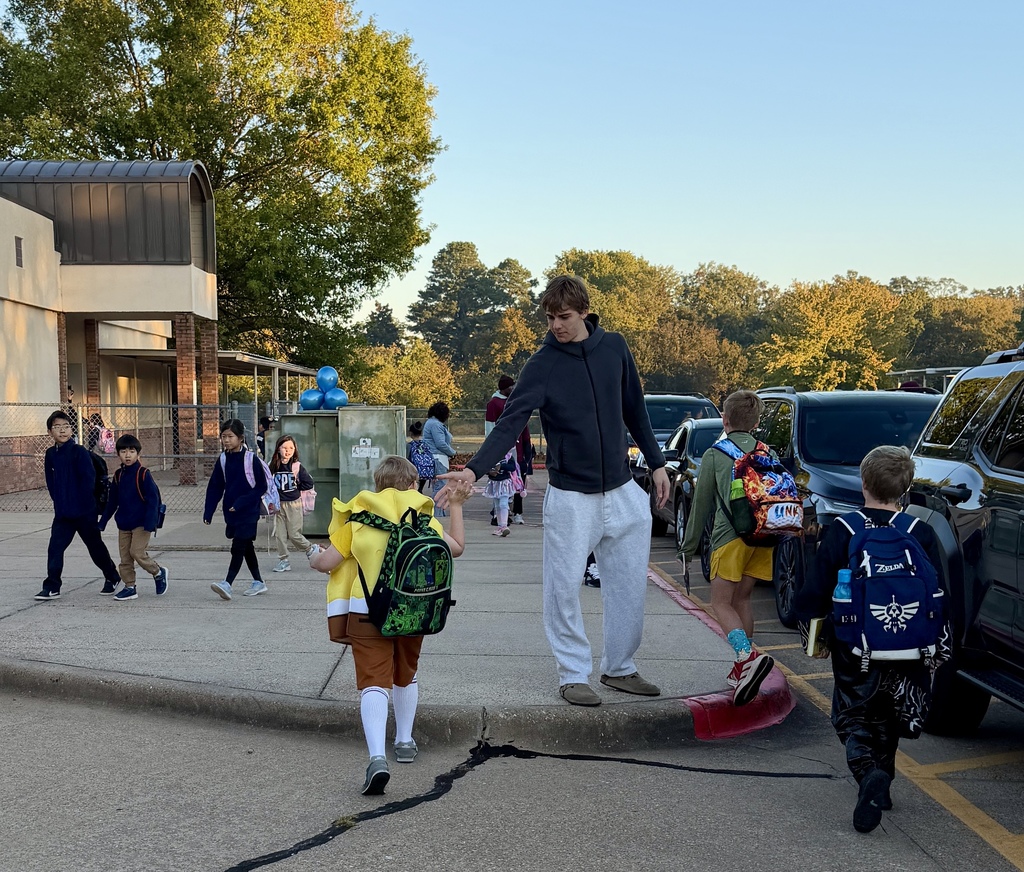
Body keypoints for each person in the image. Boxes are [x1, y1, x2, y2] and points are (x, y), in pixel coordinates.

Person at [438, 274, 670, 707]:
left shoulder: (615, 348)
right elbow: (511, 420)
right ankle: (572, 673)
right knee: (563, 588)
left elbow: (634, 408)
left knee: (628, 587)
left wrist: (657, 463)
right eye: (549, 318)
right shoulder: (542, 363)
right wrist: (473, 471)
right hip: (571, 496)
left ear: (584, 311)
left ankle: (620, 668)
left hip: (622, 490)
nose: (556, 326)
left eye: (563, 317)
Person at [794, 445, 950, 833]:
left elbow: (815, 590)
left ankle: (867, 775)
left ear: (863, 483)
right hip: (912, 642)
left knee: (853, 713)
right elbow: (941, 593)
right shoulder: (922, 532)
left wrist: (814, 626)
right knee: (888, 713)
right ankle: (885, 783)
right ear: (906, 488)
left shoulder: (844, 530)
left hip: (856, 645)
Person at [308, 456, 472, 795]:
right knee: (406, 672)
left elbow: (325, 563)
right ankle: (405, 741)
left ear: (378, 485)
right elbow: (456, 549)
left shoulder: (358, 522)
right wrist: (455, 506)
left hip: (367, 613)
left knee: (373, 682)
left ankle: (377, 758)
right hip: (415, 611)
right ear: (413, 485)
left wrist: (312, 555)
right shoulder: (424, 521)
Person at [678, 390, 777, 707]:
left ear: (725, 419)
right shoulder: (767, 452)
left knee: (720, 604)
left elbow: (701, 505)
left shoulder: (715, 455)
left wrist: (688, 546)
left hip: (729, 537)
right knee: (742, 599)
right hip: (762, 538)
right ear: (757, 422)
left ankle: (747, 657)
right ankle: (742, 670)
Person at [35, 410, 122, 600]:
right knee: (55, 548)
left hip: (84, 512)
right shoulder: (51, 454)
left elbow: (88, 479)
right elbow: (50, 480)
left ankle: (112, 576)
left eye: (65, 426)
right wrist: (58, 500)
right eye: (57, 427)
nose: (62, 431)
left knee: (95, 547)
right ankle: (52, 586)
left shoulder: (79, 452)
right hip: (63, 514)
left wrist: (83, 505)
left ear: (71, 429)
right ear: (50, 432)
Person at [204, 419, 269, 599]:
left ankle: (227, 583)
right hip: (231, 511)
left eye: (230, 436)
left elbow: (261, 486)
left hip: (248, 511)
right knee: (246, 546)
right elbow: (215, 486)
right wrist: (208, 511)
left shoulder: (250, 459)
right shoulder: (223, 459)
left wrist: (242, 502)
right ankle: (258, 581)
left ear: (240, 438)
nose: (226, 440)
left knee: (238, 546)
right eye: (223, 436)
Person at [99, 434, 169, 601]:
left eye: (131, 451)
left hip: (142, 523)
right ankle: (130, 587)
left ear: (138, 453)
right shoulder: (118, 475)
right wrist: (102, 522)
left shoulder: (143, 474)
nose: (127, 455)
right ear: (118, 454)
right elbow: (112, 501)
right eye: (123, 451)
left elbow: (153, 500)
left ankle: (158, 572)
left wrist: (150, 523)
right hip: (124, 523)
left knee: (137, 552)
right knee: (125, 558)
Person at [269, 434, 315, 572]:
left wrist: (296, 488)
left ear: (295, 450)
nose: (287, 451)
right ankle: (284, 560)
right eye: (284, 447)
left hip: (294, 504)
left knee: (294, 534)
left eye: (291, 448)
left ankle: (311, 549)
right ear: (278, 449)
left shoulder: (296, 466)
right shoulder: (273, 466)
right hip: (279, 505)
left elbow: (309, 483)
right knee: (280, 535)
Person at [421, 401, 456, 516]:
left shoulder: (430, 423)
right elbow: (440, 443)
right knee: (440, 488)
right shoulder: (436, 425)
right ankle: (438, 514)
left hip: (434, 458)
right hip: (438, 459)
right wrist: (452, 453)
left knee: (439, 487)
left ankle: (438, 512)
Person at [484, 447, 519, 537]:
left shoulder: (508, 457)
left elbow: (512, 467)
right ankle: (500, 527)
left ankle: (504, 526)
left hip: (504, 483)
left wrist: (501, 466)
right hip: (494, 483)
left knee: (503, 504)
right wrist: (489, 472)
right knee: (497, 505)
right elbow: (485, 467)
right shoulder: (491, 457)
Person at [406, 420, 435, 493]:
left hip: (414, 470)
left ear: (411, 433)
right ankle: (420, 491)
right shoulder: (426, 444)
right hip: (425, 470)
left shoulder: (410, 445)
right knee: (420, 489)